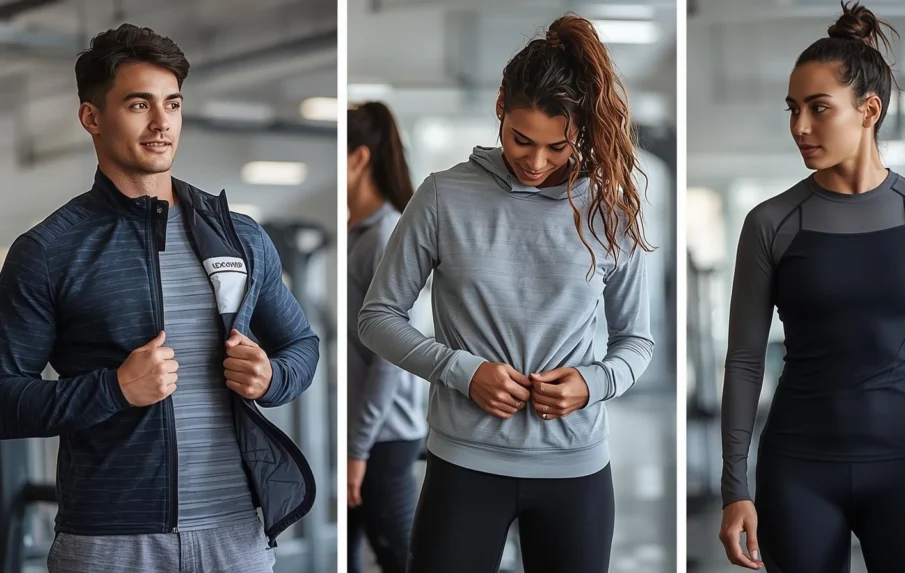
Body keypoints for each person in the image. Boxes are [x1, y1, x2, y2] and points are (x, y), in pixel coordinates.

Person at [0, 24, 319, 573]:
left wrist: (273, 376)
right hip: (111, 542)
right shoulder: (49, 251)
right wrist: (115, 389)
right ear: (91, 117)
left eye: (171, 103)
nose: (161, 122)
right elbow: (5, 396)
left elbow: (302, 344)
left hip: (238, 534)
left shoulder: (239, 235)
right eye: (138, 104)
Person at [358, 13, 655, 573]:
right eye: (522, 139)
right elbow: (377, 317)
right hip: (463, 467)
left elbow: (637, 341)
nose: (537, 162)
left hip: (577, 471)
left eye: (558, 147)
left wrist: (593, 383)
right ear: (500, 105)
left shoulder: (608, 212)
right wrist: (461, 370)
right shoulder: (443, 196)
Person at [718, 2, 905, 572]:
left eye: (819, 109)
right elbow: (744, 361)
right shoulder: (771, 222)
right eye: (793, 109)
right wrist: (734, 488)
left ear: (869, 110)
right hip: (796, 468)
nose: (800, 126)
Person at [346, 101, 428, 573]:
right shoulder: (360, 232)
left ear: (358, 158)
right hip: (366, 434)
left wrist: (358, 448)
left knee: (400, 560)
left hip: (385, 436)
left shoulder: (385, 236)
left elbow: (389, 357)